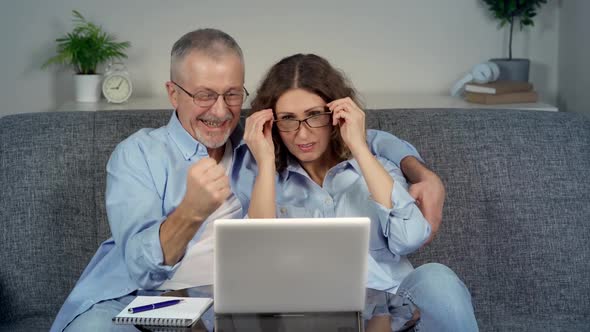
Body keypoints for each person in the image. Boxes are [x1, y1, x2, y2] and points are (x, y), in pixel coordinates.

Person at [50, 29, 444, 332]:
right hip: (145, 296)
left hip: (232, 304)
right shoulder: (139, 153)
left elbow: (351, 139)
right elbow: (140, 269)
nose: (220, 112)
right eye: (204, 95)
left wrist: (417, 168)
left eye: (233, 95)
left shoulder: (258, 142)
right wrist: (190, 212)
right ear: (173, 93)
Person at [240, 53, 479, 332]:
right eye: (288, 119)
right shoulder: (267, 182)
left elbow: (411, 237)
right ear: (272, 124)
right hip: (319, 316)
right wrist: (267, 160)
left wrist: (360, 147)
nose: (302, 135)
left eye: (314, 115)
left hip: (397, 311)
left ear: (335, 114)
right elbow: (259, 260)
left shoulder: (376, 166)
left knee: (438, 278)